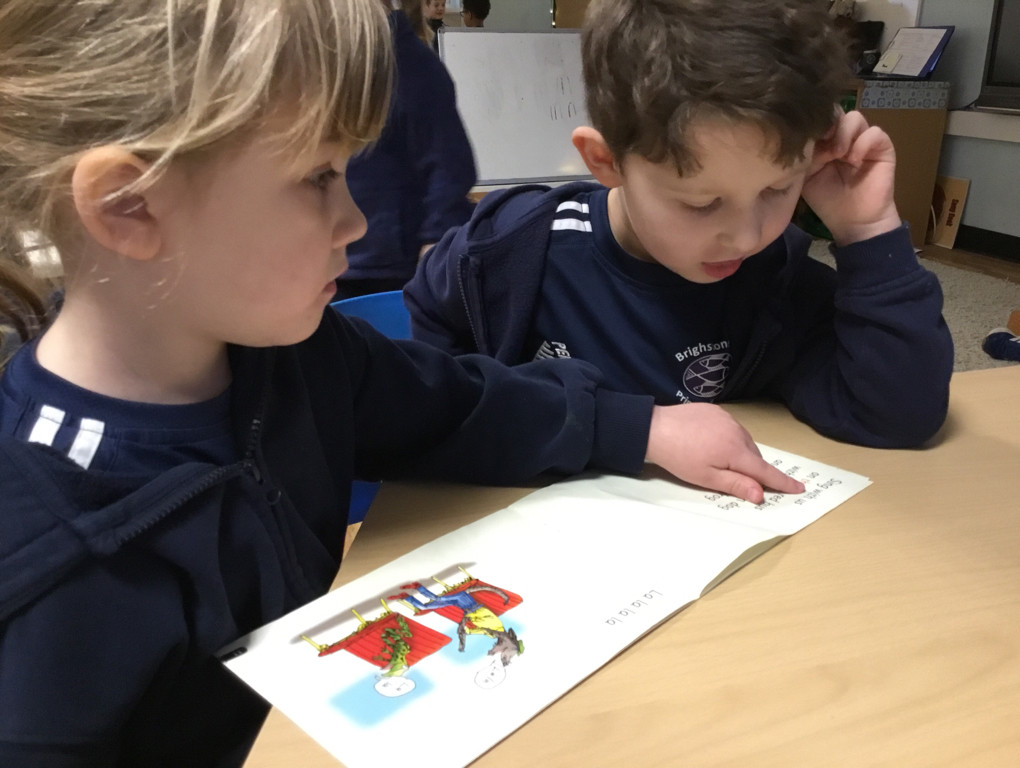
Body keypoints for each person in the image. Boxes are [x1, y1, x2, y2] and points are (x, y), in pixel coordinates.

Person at [0, 0, 802, 764]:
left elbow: (456, 404)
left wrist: (643, 428)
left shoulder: (297, 356)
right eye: (318, 178)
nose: (355, 222)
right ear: (130, 206)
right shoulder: (52, 552)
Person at [405, 0, 954, 451]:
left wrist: (868, 230)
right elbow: (425, 403)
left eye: (777, 190)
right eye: (701, 203)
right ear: (606, 162)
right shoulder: (505, 254)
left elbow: (897, 415)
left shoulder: (775, 279)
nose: (746, 237)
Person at [336, 0, 477, 299]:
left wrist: (436, 243)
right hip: (340, 257)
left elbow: (450, 169)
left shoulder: (414, 68)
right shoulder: (332, 61)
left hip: (391, 267)